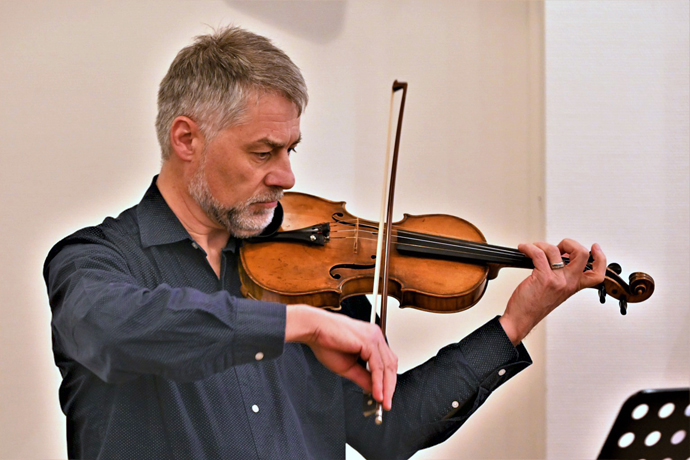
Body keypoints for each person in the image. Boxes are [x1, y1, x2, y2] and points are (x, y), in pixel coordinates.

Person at [43, 26, 606, 460]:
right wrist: (299, 326)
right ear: (187, 138)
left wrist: (516, 321)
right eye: (264, 152)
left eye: (292, 150)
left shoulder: (316, 280)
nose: (287, 176)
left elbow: (392, 430)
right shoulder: (97, 261)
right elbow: (110, 329)